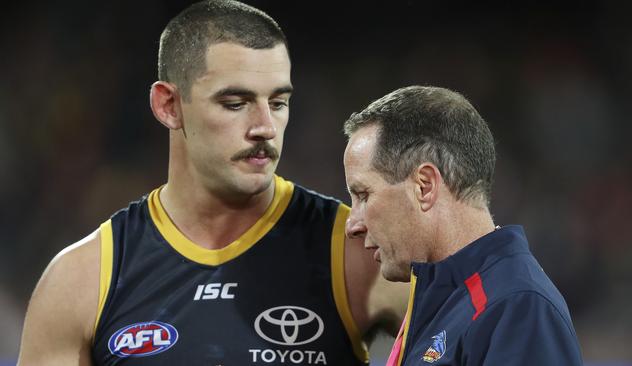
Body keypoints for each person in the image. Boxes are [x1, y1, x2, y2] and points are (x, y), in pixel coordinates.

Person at [17, 1, 407, 365]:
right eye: (235, 104)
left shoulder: (359, 251)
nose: (265, 128)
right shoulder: (82, 279)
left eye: (278, 102)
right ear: (168, 105)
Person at [342, 85, 583, 365]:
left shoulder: (516, 308)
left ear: (424, 186)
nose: (352, 225)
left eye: (363, 195)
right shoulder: (448, 303)